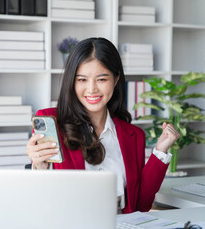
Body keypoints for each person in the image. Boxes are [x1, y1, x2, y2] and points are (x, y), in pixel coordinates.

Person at [26, 37, 180, 214]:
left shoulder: (133, 135)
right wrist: (39, 167)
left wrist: (160, 151)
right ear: (71, 81)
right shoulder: (53, 122)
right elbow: (43, 199)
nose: (92, 89)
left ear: (115, 80)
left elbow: (142, 205)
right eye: (82, 80)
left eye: (101, 79)